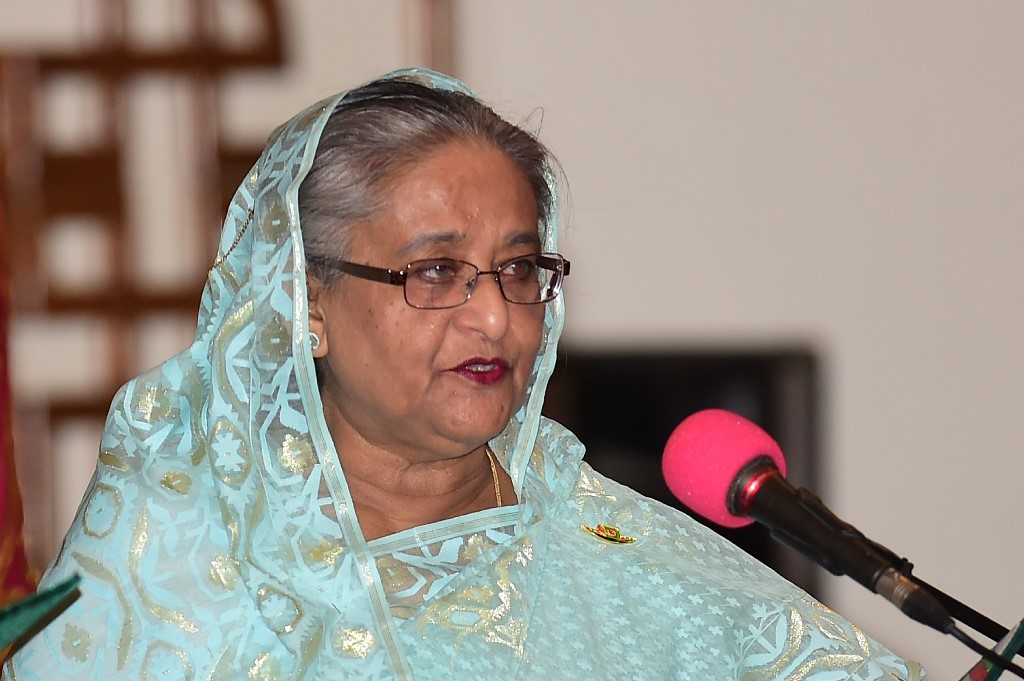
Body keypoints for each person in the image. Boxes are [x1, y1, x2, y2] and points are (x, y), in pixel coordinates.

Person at [5, 68, 923, 680]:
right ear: (306, 303)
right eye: (435, 270)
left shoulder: (602, 542)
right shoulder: (176, 540)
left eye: (520, 268)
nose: (495, 315)